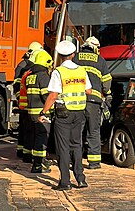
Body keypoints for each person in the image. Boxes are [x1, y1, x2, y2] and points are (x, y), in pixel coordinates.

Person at [39, 40, 92, 191]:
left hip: (64, 114)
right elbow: (88, 90)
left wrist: (43, 112)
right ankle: (81, 179)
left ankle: (65, 182)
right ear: (73, 54)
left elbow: (53, 95)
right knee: (76, 144)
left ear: (60, 55)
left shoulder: (58, 72)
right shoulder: (81, 70)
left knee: (63, 147)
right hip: (79, 112)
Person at [73, 36, 112, 169]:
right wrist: (107, 94)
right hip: (94, 102)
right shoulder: (100, 60)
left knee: (77, 131)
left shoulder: (76, 57)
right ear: (95, 47)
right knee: (93, 130)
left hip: (77, 100)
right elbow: (106, 82)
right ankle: (94, 162)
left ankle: (75, 161)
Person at [26, 49, 54, 173]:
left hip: (31, 112)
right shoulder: (43, 76)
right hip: (42, 113)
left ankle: (37, 162)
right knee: (42, 138)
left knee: (35, 137)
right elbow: (46, 96)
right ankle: (38, 165)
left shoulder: (31, 76)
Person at [15, 41, 44, 161]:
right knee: (29, 130)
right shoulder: (28, 67)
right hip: (28, 103)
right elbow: (18, 84)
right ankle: (26, 153)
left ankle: (23, 152)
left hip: (24, 102)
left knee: (25, 129)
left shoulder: (23, 64)